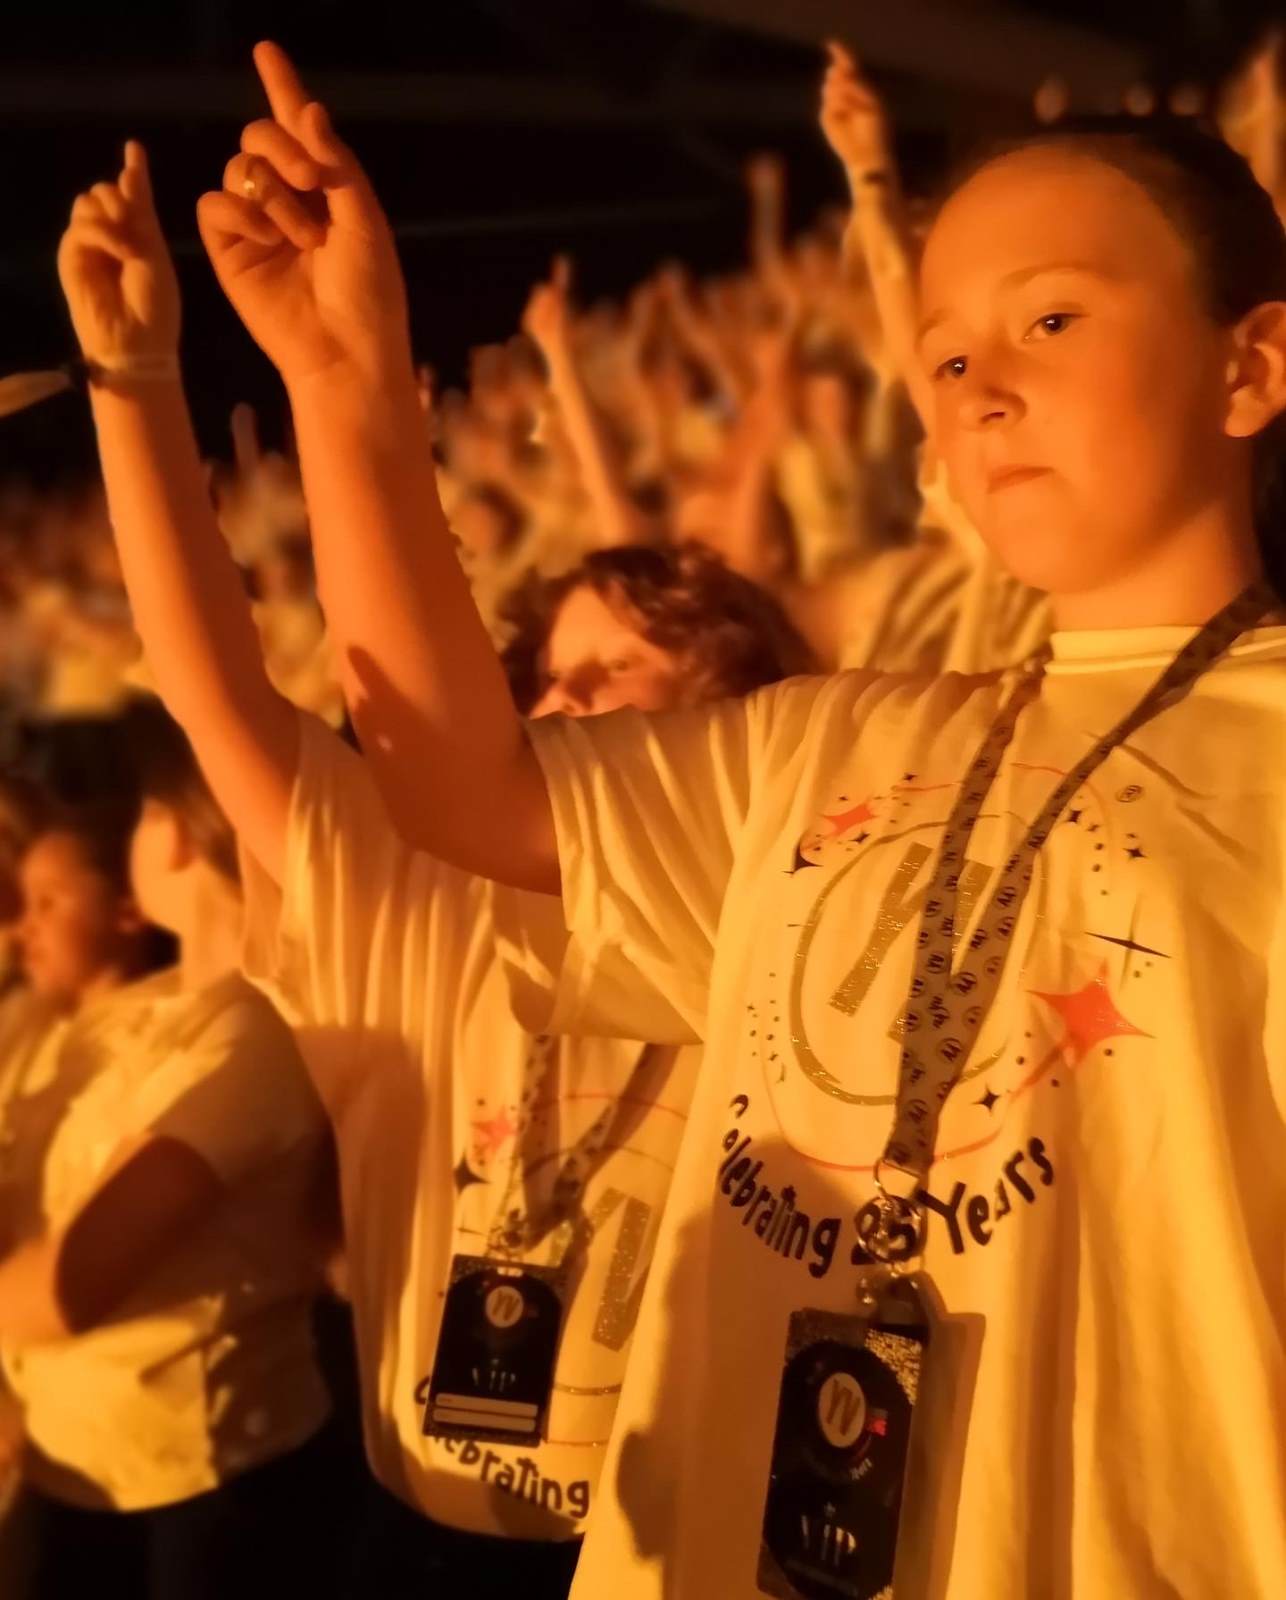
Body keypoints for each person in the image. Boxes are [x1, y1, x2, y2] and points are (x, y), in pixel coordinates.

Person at [198, 42, 1286, 1598]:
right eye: (943, 357)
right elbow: (459, 784)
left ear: (1250, 366)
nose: (982, 386)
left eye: (1050, 318)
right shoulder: (825, 736)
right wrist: (344, 382)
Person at [54, 133, 810, 1599]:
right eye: (552, 677)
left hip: (683, 1556)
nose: (565, 702)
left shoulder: (773, 904)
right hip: (413, 1537)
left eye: (618, 676)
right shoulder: (404, 893)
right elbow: (213, 689)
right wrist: (133, 379)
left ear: (731, 721)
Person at [0, 732, 335, 1600]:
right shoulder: (139, 1011)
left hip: (198, 1482)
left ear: (181, 834)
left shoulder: (251, 1038)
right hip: (78, 1460)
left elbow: (74, 1282)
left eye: (147, 813)